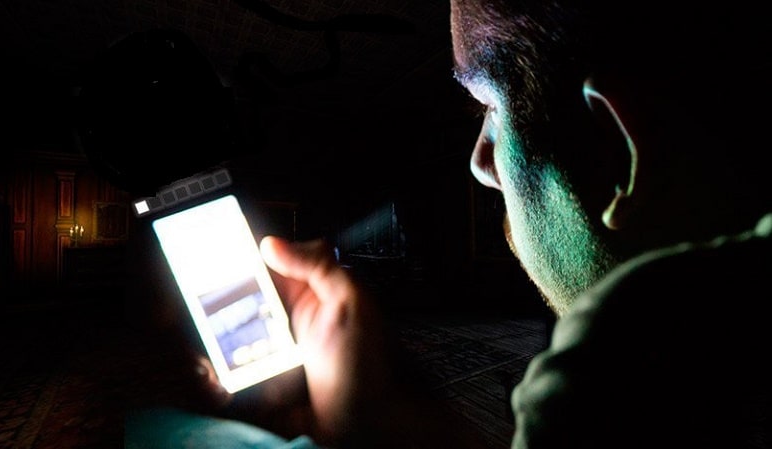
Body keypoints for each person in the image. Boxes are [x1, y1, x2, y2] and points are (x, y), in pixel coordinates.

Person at [126, 0, 772, 448]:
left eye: (488, 105)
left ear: (615, 147)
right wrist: (383, 413)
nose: (480, 161)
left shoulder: (626, 362)